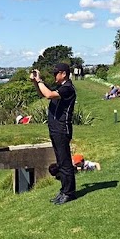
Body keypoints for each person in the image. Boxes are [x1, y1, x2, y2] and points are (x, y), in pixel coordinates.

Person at [31, 63, 78, 205]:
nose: (54, 76)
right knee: (60, 160)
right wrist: (35, 82)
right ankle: (64, 190)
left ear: (63, 73)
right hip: (55, 129)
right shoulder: (62, 88)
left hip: (62, 129)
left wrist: (40, 81)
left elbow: (49, 94)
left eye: (55, 73)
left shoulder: (68, 88)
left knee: (65, 162)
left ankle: (69, 192)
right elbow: (43, 94)